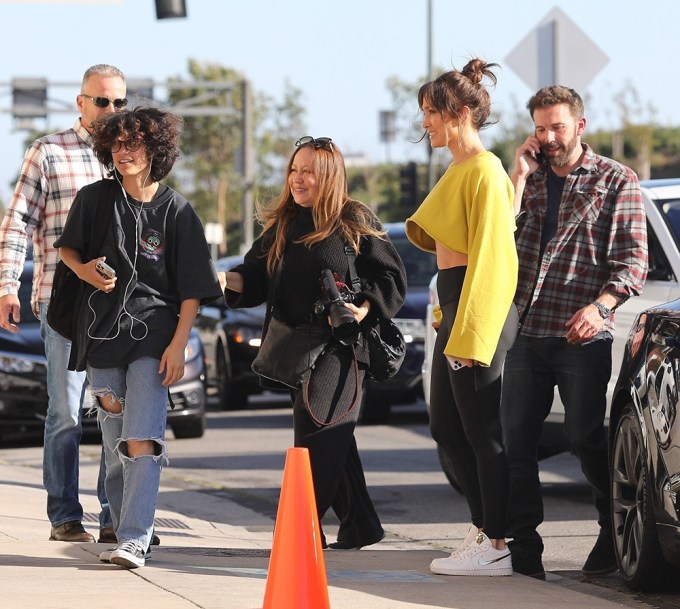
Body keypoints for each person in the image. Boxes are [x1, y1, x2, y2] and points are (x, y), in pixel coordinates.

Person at [218, 136, 406, 550]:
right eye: (294, 170)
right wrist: (222, 280)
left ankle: (300, 532)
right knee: (331, 439)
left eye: (309, 172)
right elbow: (253, 276)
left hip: (341, 350)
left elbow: (392, 277)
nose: (298, 179)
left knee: (318, 439)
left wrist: (364, 308)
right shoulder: (285, 222)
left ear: (330, 177)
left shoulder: (353, 217)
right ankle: (361, 525)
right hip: (298, 351)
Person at [55, 106, 222, 568]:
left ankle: (133, 538)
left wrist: (178, 345)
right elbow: (68, 249)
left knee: (142, 439)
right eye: (118, 143)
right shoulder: (94, 199)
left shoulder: (177, 209)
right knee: (115, 443)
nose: (125, 152)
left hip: (155, 337)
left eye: (135, 143)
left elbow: (193, 291)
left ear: (155, 150)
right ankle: (124, 528)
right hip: (102, 336)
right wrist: (84, 270)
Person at [501, 85, 648, 579]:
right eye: (540, 129)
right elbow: (497, 239)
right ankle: (525, 552)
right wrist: (518, 177)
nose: (548, 138)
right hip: (525, 331)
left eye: (557, 127)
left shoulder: (615, 180)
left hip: (581, 333)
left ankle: (612, 530)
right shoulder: (530, 178)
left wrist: (601, 307)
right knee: (515, 443)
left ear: (579, 125)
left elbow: (632, 262)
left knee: (585, 435)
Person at [0, 64, 127, 543]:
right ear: (81, 102)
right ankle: (65, 515)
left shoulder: (128, 157)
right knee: (67, 413)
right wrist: (6, 286)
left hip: (118, 310)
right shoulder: (49, 151)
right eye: (102, 101)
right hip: (61, 305)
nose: (111, 110)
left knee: (114, 412)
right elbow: (16, 224)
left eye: (119, 102)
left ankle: (114, 515)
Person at [405, 59, 519, 577]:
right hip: (452, 307)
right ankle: (483, 526)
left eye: (431, 112)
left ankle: (496, 541)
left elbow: (495, 258)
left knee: (481, 431)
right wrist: (445, 316)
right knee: (446, 426)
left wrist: (470, 333)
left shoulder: (484, 169)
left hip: (476, 312)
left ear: (462, 113)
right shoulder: (460, 168)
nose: (424, 121)